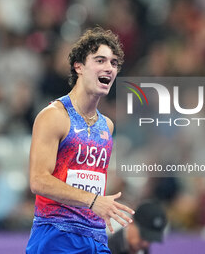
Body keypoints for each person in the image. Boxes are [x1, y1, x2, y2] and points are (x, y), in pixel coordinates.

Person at [26, 27, 135, 253]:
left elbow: (88, 180)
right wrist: (95, 201)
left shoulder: (108, 126)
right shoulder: (54, 116)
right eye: (100, 60)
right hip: (56, 235)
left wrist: (103, 204)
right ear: (79, 67)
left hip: (95, 238)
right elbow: (38, 181)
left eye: (114, 63)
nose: (109, 68)